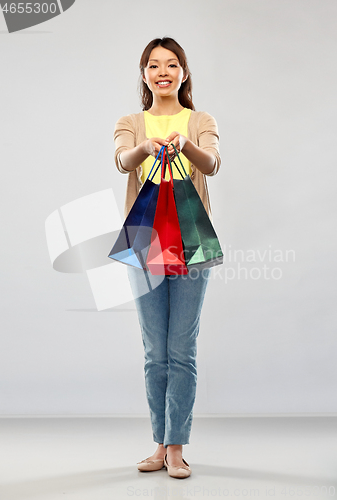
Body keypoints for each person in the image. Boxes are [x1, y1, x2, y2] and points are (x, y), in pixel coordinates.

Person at [113, 37, 221, 479]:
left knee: (182, 348)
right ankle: (159, 445)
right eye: (154, 65)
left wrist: (184, 146)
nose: (163, 71)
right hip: (144, 240)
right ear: (144, 75)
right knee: (155, 350)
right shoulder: (130, 121)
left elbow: (212, 163)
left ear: (183, 72)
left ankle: (177, 447)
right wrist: (146, 148)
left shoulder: (200, 120)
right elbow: (122, 160)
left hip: (192, 237)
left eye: (171, 64)